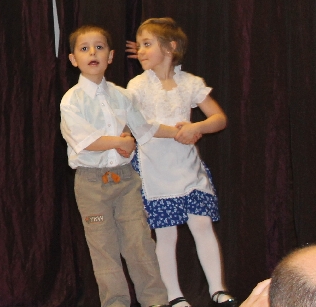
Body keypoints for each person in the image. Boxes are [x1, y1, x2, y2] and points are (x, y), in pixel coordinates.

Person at [60, 25, 172, 307]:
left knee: (139, 242)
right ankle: (116, 302)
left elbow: (143, 128)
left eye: (99, 47)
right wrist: (121, 141)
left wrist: (179, 131)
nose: (92, 53)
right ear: (73, 59)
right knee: (103, 249)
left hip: (125, 180)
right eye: (84, 49)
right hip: (91, 183)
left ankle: (155, 300)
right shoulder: (71, 100)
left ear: (110, 56)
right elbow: (85, 141)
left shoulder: (122, 95)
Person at [126, 18, 234, 307]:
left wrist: (197, 127)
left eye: (147, 44)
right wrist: (176, 132)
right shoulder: (138, 86)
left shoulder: (190, 83)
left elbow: (219, 118)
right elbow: (138, 125)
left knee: (202, 223)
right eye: (140, 45)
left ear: (170, 47)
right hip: (156, 170)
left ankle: (218, 289)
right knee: (165, 233)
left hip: (187, 168)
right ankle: (174, 295)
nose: (141, 51)